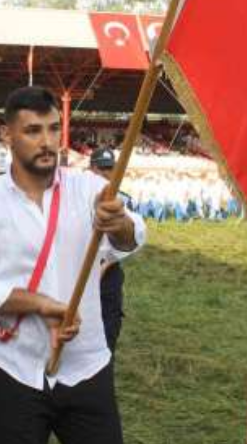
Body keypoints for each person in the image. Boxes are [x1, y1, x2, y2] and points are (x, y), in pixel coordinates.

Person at [0, 87, 146, 444]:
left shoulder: (88, 189)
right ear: (7, 134)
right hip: (15, 369)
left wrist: (120, 226)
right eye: (33, 130)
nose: (47, 141)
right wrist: (39, 304)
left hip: (87, 366)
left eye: (54, 129)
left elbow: (132, 237)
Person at [88, 147, 133, 355]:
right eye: (100, 168)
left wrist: (107, 264)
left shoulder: (124, 200)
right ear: (91, 168)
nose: (105, 174)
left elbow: (130, 240)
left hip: (109, 275)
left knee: (108, 331)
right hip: (81, 269)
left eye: (109, 169)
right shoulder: (79, 198)